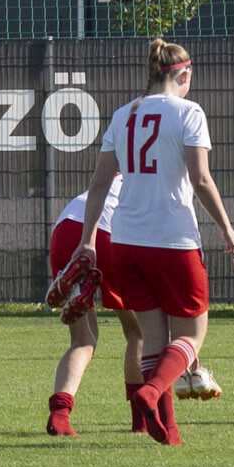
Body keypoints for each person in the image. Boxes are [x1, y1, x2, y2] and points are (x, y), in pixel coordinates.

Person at [69, 37, 234, 447]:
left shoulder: (122, 114)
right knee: (192, 336)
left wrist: (88, 239)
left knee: (153, 338)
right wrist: (226, 227)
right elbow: (201, 179)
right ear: (183, 74)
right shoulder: (189, 112)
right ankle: (150, 393)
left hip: (125, 241)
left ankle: (168, 432)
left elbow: (99, 183)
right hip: (172, 238)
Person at [42, 173, 134, 435]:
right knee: (138, 332)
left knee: (83, 340)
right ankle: (142, 420)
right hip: (108, 231)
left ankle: (60, 415)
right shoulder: (167, 176)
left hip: (67, 226)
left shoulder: (122, 164)